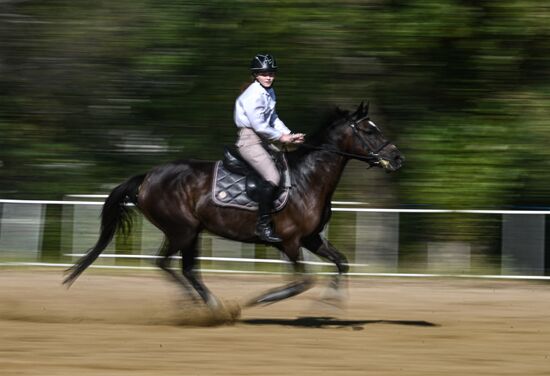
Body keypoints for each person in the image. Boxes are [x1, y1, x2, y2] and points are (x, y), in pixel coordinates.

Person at [234, 53, 305, 243]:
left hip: (264, 139)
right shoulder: (253, 94)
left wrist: (290, 134)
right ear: (256, 74)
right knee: (273, 177)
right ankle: (263, 226)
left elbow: (273, 119)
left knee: (289, 166)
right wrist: (283, 137)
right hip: (250, 140)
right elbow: (259, 126)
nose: (268, 77)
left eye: (271, 73)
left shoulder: (269, 92)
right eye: (264, 73)